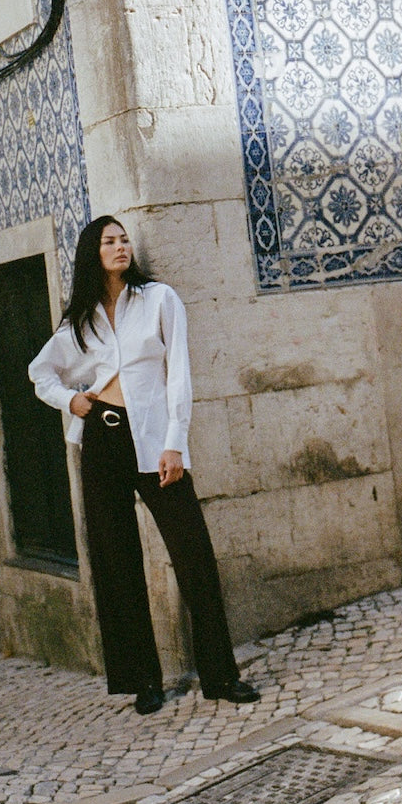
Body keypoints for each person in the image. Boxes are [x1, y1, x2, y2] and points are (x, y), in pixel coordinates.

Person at [28, 216, 260, 715]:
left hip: (155, 443)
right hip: (102, 441)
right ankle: (143, 681)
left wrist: (175, 443)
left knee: (194, 554)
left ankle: (221, 677)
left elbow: (179, 373)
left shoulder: (158, 300)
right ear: (93, 253)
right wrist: (71, 401)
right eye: (110, 241)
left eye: (124, 239)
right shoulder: (80, 320)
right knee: (116, 563)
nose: (120, 247)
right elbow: (39, 371)